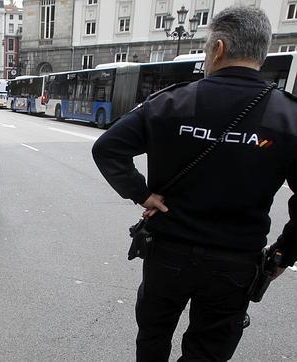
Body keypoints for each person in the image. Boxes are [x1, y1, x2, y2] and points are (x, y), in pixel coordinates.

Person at [92, 6, 297, 361]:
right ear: (261, 53)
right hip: (235, 263)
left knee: (153, 337)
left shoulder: (171, 102)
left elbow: (107, 148)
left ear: (218, 48)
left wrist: (141, 193)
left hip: (166, 251)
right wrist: (283, 253)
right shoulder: (288, 117)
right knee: (208, 350)